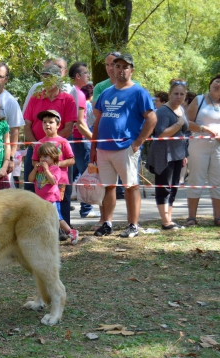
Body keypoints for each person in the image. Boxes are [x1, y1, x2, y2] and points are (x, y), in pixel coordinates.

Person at [90, 53, 157, 238]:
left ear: (131, 70)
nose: (120, 70)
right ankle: (107, 223)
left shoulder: (139, 92)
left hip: (126, 146)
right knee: (108, 186)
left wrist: (138, 142)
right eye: (117, 66)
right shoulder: (106, 92)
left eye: (125, 67)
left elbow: (152, 118)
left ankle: (133, 225)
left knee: (130, 186)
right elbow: (97, 121)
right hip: (104, 149)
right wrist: (93, 148)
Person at [23, 64, 76, 228]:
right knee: (32, 189)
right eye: (44, 76)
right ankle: (34, 228)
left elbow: (69, 126)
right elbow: (27, 125)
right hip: (36, 151)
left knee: (62, 193)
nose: (46, 80)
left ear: (59, 79)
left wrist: (52, 145)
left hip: (59, 153)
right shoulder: (35, 98)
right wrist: (37, 146)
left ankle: (64, 229)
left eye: (50, 77)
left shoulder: (68, 99)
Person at [145, 79, 189, 230]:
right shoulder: (163, 111)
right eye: (176, 93)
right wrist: (178, 123)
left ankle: (169, 220)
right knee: (164, 187)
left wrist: (185, 154)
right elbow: (161, 134)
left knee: (174, 187)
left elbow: (184, 133)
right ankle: (165, 221)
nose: (179, 96)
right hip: (163, 154)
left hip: (178, 153)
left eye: (182, 94)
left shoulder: (181, 109)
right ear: (170, 94)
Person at [185, 74, 220, 226]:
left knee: (217, 181)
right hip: (199, 145)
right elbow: (186, 123)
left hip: (218, 147)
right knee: (196, 179)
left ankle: (218, 217)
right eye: (217, 81)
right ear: (211, 83)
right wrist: (203, 128)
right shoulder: (199, 100)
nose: (218, 85)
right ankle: (191, 217)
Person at [29, 141, 79, 244]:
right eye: (41, 156)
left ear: (54, 158)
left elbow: (53, 181)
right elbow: (30, 179)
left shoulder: (55, 169)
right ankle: (44, 237)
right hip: (40, 199)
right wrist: (34, 170)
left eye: (46, 156)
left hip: (51, 199)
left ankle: (71, 231)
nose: (43, 159)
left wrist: (47, 170)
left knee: (57, 218)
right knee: (42, 218)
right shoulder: (39, 170)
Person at [68, 62, 99, 219]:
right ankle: (86, 209)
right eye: (86, 73)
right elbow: (80, 123)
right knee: (87, 174)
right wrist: (94, 140)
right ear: (78, 76)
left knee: (78, 174)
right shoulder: (79, 94)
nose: (89, 76)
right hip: (80, 140)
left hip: (74, 139)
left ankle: (84, 207)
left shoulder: (73, 92)